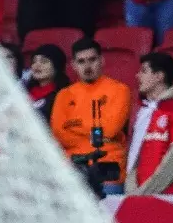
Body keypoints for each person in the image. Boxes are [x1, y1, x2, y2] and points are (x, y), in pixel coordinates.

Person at [50, 38, 132, 196]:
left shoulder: (120, 90)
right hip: (73, 167)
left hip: (108, 167)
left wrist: (73, 124)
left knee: (109, 220)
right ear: (73, 65)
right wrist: (95, 133)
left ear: (102, 60)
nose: (87, 66)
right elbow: (59, 134)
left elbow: (110, 130)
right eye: (81, 62)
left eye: (92, 60)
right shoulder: (64, 95)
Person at [126, 52, 173, 194]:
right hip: (141, 194)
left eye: (143, 71)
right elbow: (136, 156)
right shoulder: (144, 111)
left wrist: (145, 192)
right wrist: (132, 188)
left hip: (172, 196)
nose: (137, 76)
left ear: (159, 76)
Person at [25, 44, 70, 121]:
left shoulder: (64, 95)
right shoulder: (24, 91)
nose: (37, 65)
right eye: (34, 61)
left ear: (56, 67)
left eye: (44, 61)